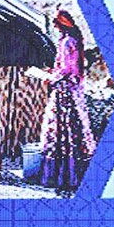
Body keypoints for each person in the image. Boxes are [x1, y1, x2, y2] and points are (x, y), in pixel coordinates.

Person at [39, 10, 96, 196]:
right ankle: (70, 175)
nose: (55, 27)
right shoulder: (73, 40)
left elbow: (66, 68)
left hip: (64, 91)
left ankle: (63, 176)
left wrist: (50, 77)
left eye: (56, 24)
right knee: (71, 129)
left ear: (61, 25)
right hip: (70, 89)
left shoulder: (67, 42)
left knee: (61, 129)